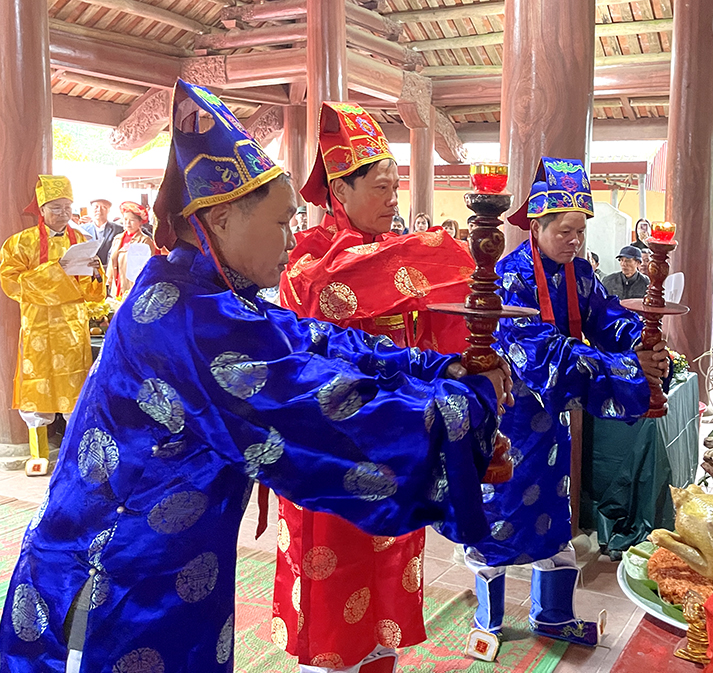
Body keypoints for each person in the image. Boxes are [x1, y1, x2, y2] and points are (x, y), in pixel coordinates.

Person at [0, 80, 509, 673]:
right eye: (280, 223)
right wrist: (462, 408)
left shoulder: (205, 290)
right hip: (115, 579)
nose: (292, 239)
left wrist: (431, 364)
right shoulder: (188, 319)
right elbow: (316, 408)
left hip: (169, 568)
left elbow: (314, 338)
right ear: (219, 219)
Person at [276, 102, 481, 673]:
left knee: (390, 566)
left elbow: (442, 314)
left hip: (396, 443)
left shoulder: (397, 255)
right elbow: (340, 286)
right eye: (382, 186)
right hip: (332, 449)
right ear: (340, 190)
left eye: (398, 186)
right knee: (334, 575)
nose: (395, 198)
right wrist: (436, 250)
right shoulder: (310, 260)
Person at [463, 157, 668, 650]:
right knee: (500, 514)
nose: (576, 241)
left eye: (581, 231)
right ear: (537, 225)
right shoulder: (509, 278)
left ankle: (552, 614)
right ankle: (488, 622)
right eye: (567, 230)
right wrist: (625, 370)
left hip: (552, 423)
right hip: (510, 417)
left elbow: (607, 318)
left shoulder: (579, 273)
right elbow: (542, 356)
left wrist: (643, 342)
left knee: (554, 515)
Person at [0, 175, 105, 477]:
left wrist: (96, 275)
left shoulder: (83, 241)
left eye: (67, 207)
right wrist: (55, 271)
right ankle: (38, 454)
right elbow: (11, 281)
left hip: (71, 328)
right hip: (36, 327)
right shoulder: (20, 243)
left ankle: (74, 453)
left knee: (76, 389)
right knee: (37, 388)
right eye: (56, 207)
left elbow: (92, 294)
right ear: (42, 210)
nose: (63, 213)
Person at [108, 201, 157, 299]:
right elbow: (111, 261)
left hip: (133, 286)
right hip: (117, 284)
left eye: (132, 220)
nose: (127, 223)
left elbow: (148, 265)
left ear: (140, 222)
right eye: (125, 219)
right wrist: (109, 279)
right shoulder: (118, 238)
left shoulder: (144, 240)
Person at [78, 198, 123, 266]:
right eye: (96, 207)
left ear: (109, 210)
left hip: (109, 271)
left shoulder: (119, 229)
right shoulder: (82, 230)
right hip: (88, 271)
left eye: (104, 207)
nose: (99, 210)